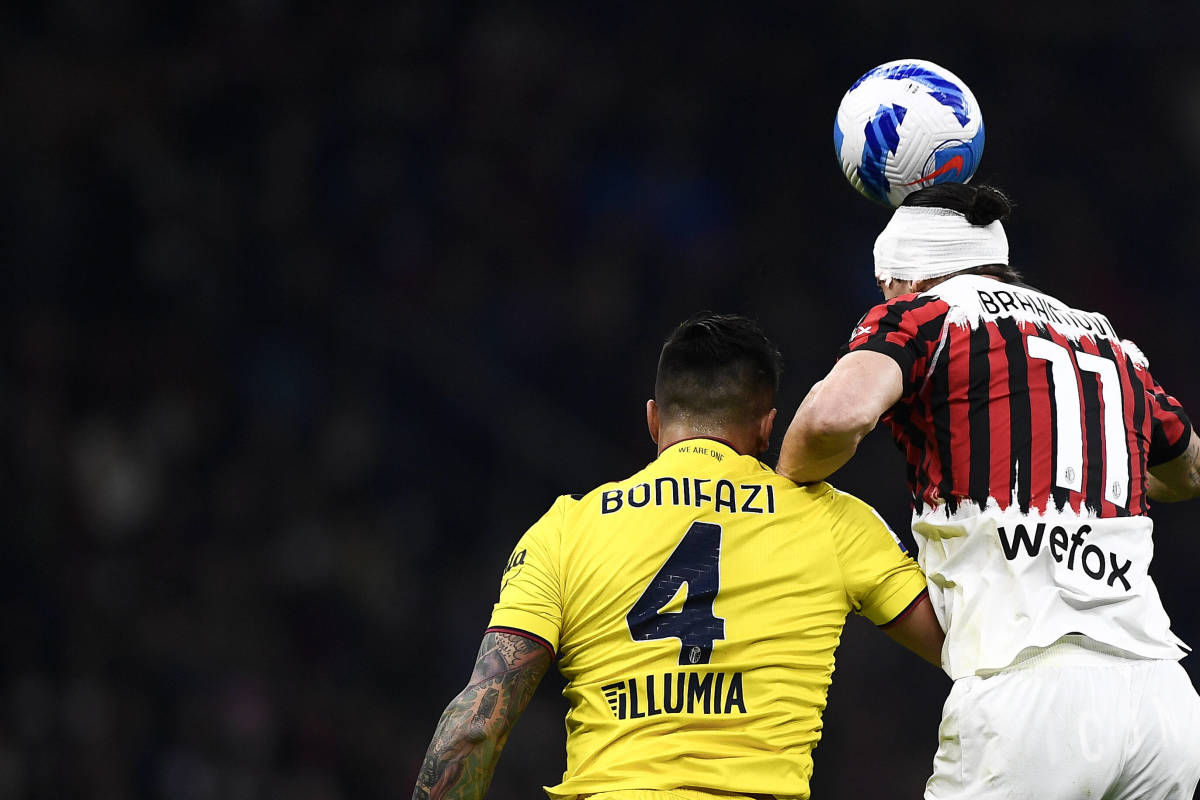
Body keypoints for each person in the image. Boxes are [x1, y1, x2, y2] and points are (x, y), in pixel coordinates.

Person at [777, 183, 1200, 799]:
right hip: (1163, 701)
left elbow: (835, 417)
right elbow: (1188, 468)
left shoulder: (922, 315)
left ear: (901, 280)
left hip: (1030, 689)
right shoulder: (1107, 341)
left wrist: (790, 483)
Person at [412, 312, 945, 800]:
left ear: (653, 419)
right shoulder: (833, 521)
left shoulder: (565, 528)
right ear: (766, 427)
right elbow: (971, 651)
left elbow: (476, 723)